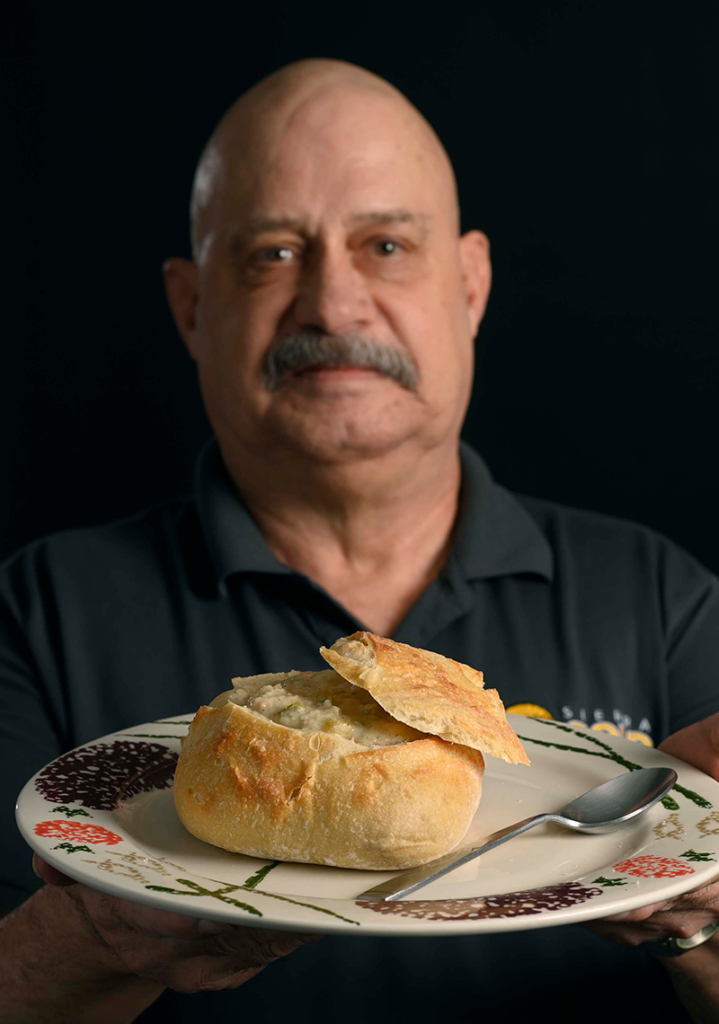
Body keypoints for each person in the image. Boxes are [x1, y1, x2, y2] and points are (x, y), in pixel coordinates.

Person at [1, 58, 719, 1024]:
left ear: (468, 286)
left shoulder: (660, 597)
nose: (333, 307)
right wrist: (88, 942)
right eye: (271, 254)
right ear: (190, 305)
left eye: (385, 245)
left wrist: (700, 921)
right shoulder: (39, 610)